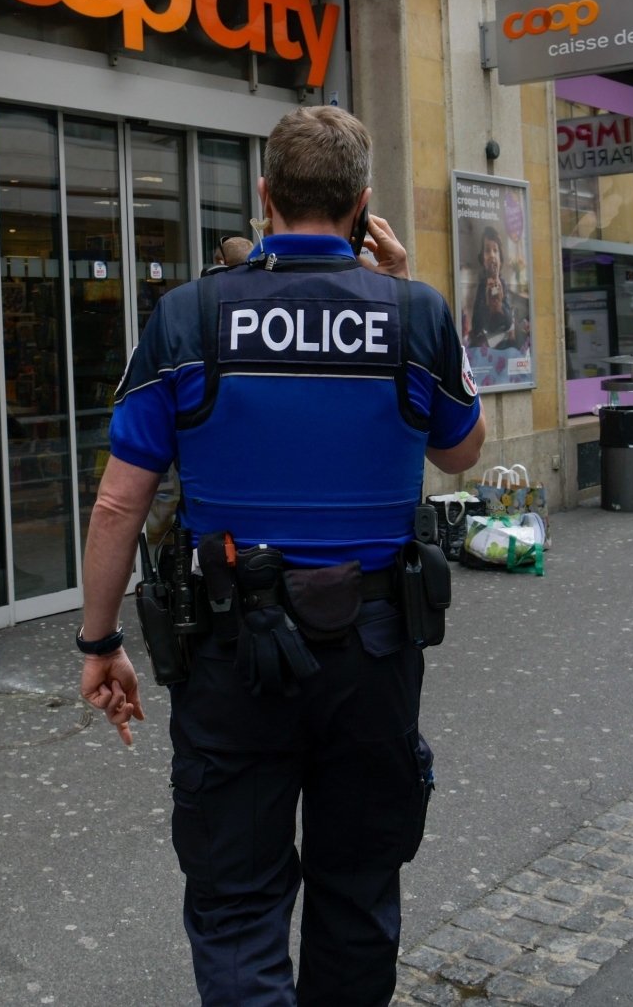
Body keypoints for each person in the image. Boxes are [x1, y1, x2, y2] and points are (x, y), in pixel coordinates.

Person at [76, 106, 484, 1006]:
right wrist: (408, 292)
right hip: (375, 652)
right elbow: (462, 450)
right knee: (358, 890)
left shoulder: (188, 318)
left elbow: (116, 502)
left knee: (236, 902)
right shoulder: (415, 315)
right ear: (362, 204)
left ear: (264, 198)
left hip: (232, 655)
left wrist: (97, 643)